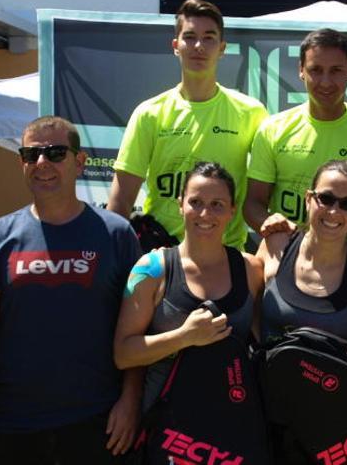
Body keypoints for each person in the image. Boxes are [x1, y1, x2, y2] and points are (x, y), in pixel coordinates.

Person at [0, 117, 142, 465]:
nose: (41, 163)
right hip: (14, 424)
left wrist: (131, 401)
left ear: (79, 162)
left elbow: (137, 329)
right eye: (30, 154)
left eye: (55, 153)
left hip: (98, 422)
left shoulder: (117, 234)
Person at [108, 0, 267, 251]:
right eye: (190, 37)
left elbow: (263, 193)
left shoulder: (251, 113)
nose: (198, 46)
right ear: (175, 46)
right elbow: (121, 201)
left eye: (209, 38)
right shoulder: (149, 113)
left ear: (222, 48)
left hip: (228, 256)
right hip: (162, 254)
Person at [113, 161, 264, 411]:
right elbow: (123, 354)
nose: (205, 214)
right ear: (180, 204)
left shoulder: (250, 269)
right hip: (165, 426)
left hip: (233, 423)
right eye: (196, 202)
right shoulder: (151, 269)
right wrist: (184, 337)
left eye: (217, 205)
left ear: (232, 211)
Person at [244, 29, 347, 236]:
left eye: (335, 70)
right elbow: (253, 204)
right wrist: (274, 228)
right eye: (315, 70)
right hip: (287, 258)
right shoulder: (273, 129)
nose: (325, 82)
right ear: (301, 70)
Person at [257, 160, 347, 349]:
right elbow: (248, 316)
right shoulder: (275, 245)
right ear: (308, 199)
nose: (334, 211)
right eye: (326, 198)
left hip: (333, 379)